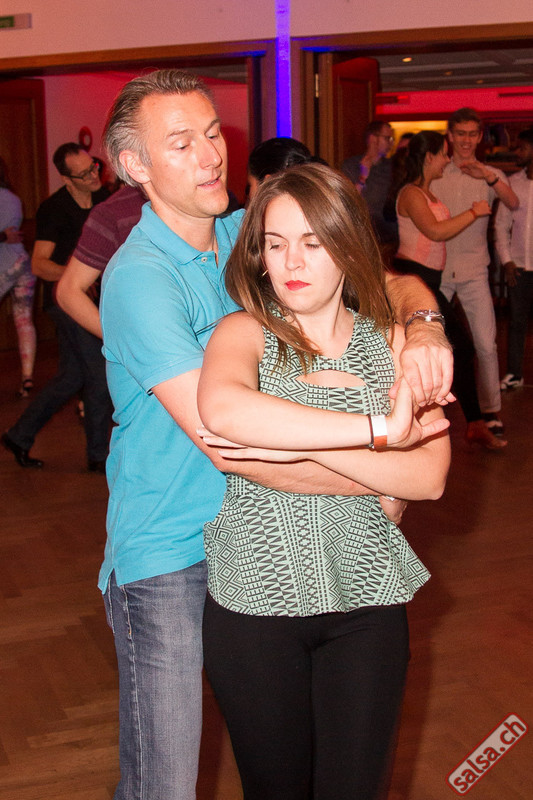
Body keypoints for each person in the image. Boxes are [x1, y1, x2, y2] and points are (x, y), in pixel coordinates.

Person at [98, 68, 453, 800]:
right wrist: (382, 455)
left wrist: (421, 326)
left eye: (211, 134)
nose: (211, 155)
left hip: (270, 536)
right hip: (171, 547)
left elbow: (376, 274)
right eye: (181, 143)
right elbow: (231, 447)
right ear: (135, 165)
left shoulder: (246, 231)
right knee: (166, 782)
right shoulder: (140, 279)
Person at [196, 162, 451, 799]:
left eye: (313, 242)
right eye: (275, 243)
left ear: (347, 245)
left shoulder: (394, 344)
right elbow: (223, 412)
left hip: (367, 605)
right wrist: (378, 430)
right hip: (255, 605)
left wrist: (281, 443)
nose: (292, 262)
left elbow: (428, 478)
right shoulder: (244, 332)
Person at [1, 143, 112, 471]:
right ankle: (98, 456)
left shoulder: (104, 200)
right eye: (84, 174)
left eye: (94, 167)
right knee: (98, 373)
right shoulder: (55, 209)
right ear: (66, 179)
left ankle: (19, 436)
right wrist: (76, 276)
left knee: (71, 376)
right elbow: (39, 264)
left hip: (94, 300)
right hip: (65, 302)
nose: (93, 176)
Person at [393, 130, 506, 449]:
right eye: (443, 153)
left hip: (427, 280)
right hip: (413, 278)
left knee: (454, 348)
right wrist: (474, 212)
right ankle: (471, 423)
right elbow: (435, 231)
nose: (447, 159)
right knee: (461, 347)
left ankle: (470, 423)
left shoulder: (426, 192)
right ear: (429, 157)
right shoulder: (411, 193)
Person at [433, 108, 519, 435]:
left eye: (472, 134)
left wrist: (488, 176)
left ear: (480, 137)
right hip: (439, 269)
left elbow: (513, 202)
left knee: (485, 344)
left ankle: (490, 410)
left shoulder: (490, 174)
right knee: (434, 340)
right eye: (461, 134)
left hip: (474, 269)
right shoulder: (438, 172)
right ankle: (432, 404)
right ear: (450, 136)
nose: (466, 140)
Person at [56, 184, 146, 338]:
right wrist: (118, 341)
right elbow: (68, 290)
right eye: (84, 174)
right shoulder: (112, 212)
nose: (93, 176)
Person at [495, 128, 533, 390]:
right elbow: (501, 225)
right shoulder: (512, 183)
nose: (517, 152)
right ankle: (514, 373)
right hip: (519, 266)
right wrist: (507, 260)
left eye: (522, 148)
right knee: (517, 322)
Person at [0, 155, 37, 397]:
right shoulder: (13, 198)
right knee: (24, 321)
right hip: (22, 263)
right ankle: (27, 378)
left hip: (4, 266)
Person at [341, 120, 397, 246]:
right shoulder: (351, 165)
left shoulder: (392, 167)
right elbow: (348, 201)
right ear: (373, 139)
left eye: (392, 139)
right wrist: (363, 176)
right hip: (359, 234)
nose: (391, 143)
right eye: (387, 138)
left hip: (388, 235)